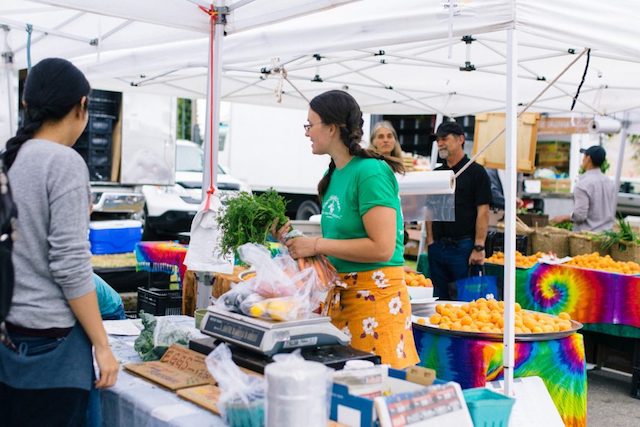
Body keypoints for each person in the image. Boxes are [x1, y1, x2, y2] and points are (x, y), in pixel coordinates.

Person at [0, 58, 118, 427]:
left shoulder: (11, 158)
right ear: (82, 106)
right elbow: (69, 265)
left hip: (12, 339)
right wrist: (102, 343)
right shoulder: (63, 162)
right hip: (52, 347)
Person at [276, 90, 418, 369]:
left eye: (310, 125)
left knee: (372, 394)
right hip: (344, 299)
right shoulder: (336, 175)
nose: (307, 133)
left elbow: (382, 247)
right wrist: (292, 238)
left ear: (331, 128)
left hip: (374, 303)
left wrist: (315, 245)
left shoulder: (371, 172)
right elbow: (341, 242)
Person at [426, 121, 492, 300]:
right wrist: (430, 241)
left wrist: (479, 246)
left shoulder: (477, 172)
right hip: (438, 246)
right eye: (438, 140)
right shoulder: (437, 173)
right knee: (438, 299)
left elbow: (483, 211)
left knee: (464, 300)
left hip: (463, 247)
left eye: (444, 139)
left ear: (461, 139)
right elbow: (430, 209)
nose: (440, 143)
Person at [550, 145, 616, 232]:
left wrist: (563, 217)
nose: (583, 159)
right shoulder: (610, 182)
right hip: (607, 236)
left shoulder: (583, 184)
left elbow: (580, 216)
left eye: (584, 156)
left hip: (587, 238)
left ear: (588, 158)